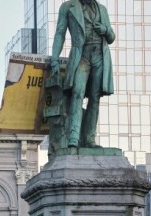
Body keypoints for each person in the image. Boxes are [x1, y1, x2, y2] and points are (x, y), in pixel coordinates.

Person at [49, 0, 115, 148]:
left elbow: (111, 38)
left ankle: (89, 139)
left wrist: (106, 30)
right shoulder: (68, 7)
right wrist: (54, 59)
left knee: (95, 97)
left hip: (100, 56)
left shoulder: (102, 9)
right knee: (77, 93)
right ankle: (73, 137)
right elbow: (60, 33)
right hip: (81, 56)